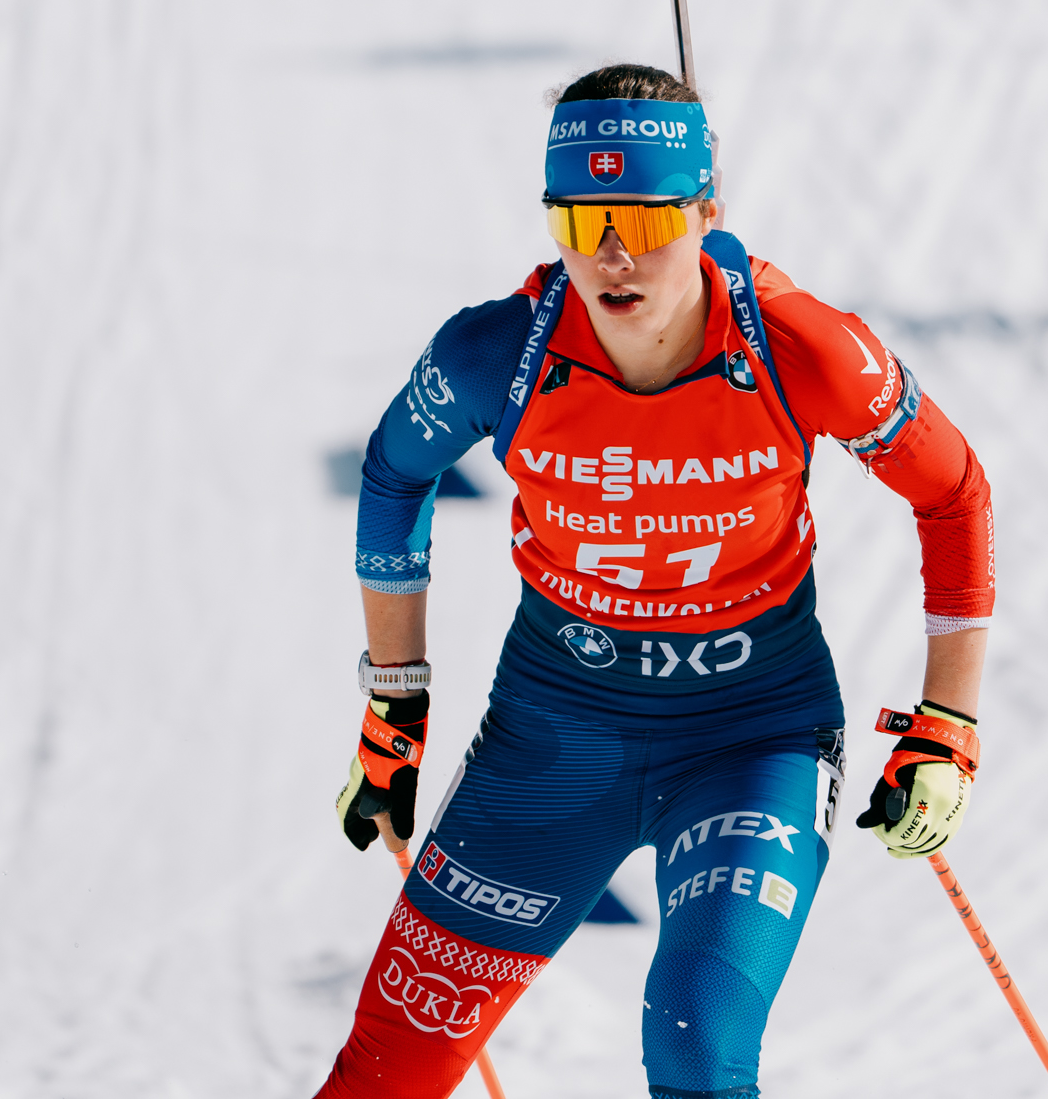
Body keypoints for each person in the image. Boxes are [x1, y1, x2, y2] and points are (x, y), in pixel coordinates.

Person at [312, 64, 996, 1099]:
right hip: (554, 739)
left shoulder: (803, 348)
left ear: (706, 211)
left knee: (696, 1039)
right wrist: (394, 706)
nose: (613, 255)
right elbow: (394, 473)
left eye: (642, 217)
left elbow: (952, 493)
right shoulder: (499, 353)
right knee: (387, 1072)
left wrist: (948, 724)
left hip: (750, 737)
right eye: (581, 222)